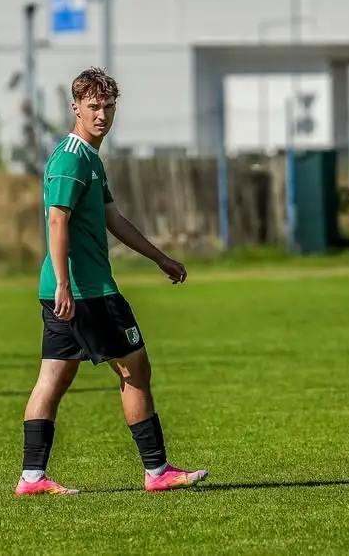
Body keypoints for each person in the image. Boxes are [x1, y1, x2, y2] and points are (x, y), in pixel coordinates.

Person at [16, 67, 208, 496]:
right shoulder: (71, 157)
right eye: (93, 106)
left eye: (108, 106)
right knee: (136, 369)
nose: (102, 114)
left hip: (65, 291)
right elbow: (56, 219)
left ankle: (31, 478)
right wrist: (65, 283)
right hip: (86, 293)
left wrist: (160, 258)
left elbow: (113, 220)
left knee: (54, 378)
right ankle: (157, 471)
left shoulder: (89, 158)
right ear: (76, 108)